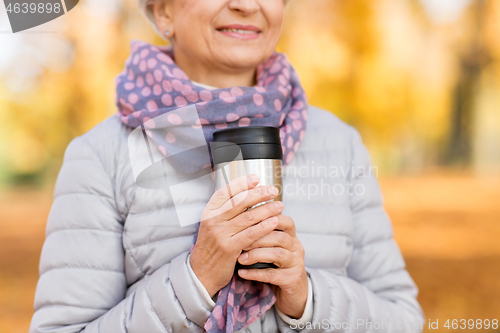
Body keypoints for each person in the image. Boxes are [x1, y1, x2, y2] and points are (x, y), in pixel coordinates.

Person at [30, 0, 425, 332]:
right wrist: (194, 280)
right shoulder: (102, 156)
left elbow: (405, 320)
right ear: (163, 12)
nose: (246, 4)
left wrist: (307, 298)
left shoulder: (339, 144)